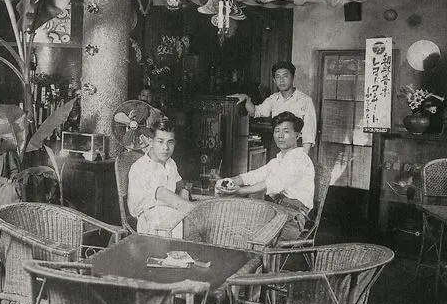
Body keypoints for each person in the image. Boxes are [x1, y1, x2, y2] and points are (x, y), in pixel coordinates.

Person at [215, 111, 315, 241]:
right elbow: (255, 175)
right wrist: (230, 181)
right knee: (236, 227)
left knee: (250, 237)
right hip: (276, 211)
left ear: (297, 135)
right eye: (277, 131)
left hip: (292, 218)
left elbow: (274, 183)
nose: (280, 136)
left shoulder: (299, 158)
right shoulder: (278, 160)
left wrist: (240, 191)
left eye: (286, 131)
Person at [228, 61, 316, 154]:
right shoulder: (273, 99)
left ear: (292, 77)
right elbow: (255, 112)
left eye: (285, 76)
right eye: (278, 77)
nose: (281, 80)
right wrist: (247, 99)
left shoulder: (305, 100)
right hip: (277, 145)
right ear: (274, 80)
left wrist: (303, 156)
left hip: (297, 145)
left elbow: (309, 133)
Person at [128, 118, 194, 238]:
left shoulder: (170, 163)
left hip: (172, 213)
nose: (166, 148)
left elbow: (180, 186)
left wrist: (184, 193)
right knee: (194, 228)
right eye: (160, 141)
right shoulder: (141, 167)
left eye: (170, 142)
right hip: (150, 222)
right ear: (151, 142)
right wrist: (190, 210)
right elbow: (162, 193)